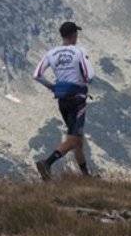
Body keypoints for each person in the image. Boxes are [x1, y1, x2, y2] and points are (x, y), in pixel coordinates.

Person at [33, 21, 94, 180]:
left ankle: (86, 176)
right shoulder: (79, 51)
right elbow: (90, 76)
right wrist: (82, 80)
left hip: (62, 99)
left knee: (77, 139)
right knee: (73, 139)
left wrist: (52, 87)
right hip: (77, 100)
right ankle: (47, 163)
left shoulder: (51, 53)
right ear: (74, 35)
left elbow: (37, 75)